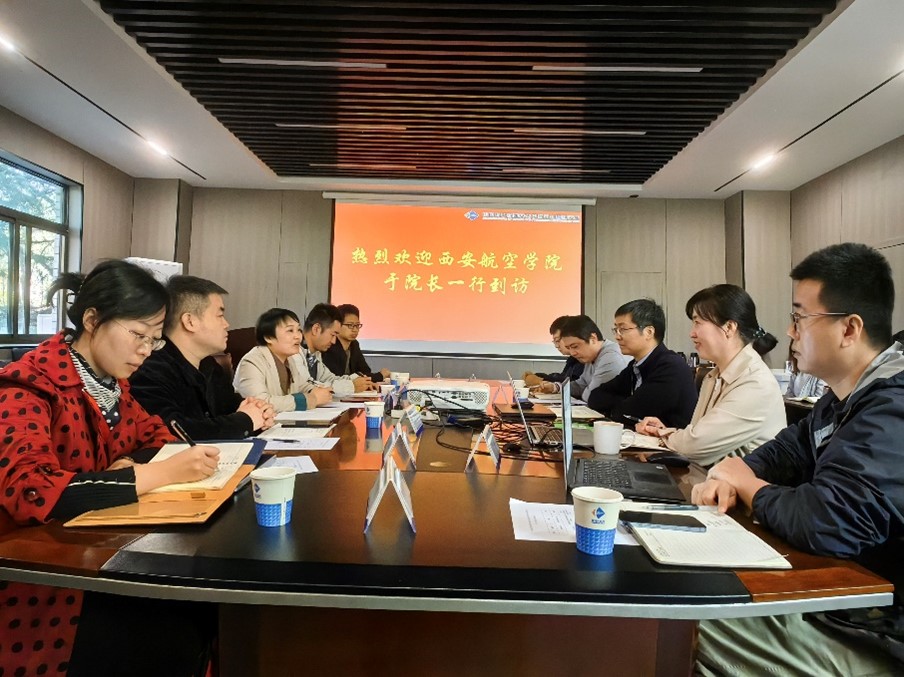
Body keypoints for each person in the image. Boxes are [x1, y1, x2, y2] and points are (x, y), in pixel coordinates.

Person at [692, 243, 904, 675]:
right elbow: (788, 449)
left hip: (878, 634)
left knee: (686, 619)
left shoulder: (892, 409)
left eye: (800, 318)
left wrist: (745, 483)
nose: (790, 332)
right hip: (842, 604)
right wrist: (736, 472)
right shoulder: (842, 398)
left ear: (850, 329)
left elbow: (828, 523)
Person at [0, 260, 219, 676]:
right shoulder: (28, 385)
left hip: (101, 553)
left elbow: (158, 436)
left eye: (154, 340)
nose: (146, 350)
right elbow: (31, 490)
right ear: (92, 319)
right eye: (138, 334)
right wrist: (153, 475)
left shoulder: (111, 386)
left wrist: (130, 464)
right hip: (43, 579)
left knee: (200, 607)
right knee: (179, 626)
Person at [635, 284, 785, 466]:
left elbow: (695, 446)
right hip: (713, 477)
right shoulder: (714, 376)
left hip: (741, 483)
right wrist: (666, 431)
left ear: (729, 327)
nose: (692, 333)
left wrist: (662, 436)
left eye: (698, 322)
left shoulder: (755, 384)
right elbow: (700, 436)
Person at [130, 275, 274, 440]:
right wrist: (245, 421)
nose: (226, 324)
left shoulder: (208, 365)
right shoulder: (151, 369)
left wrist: (260, 413)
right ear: (190, 321)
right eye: (219, 315)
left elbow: (232, 409)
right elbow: (174, 432)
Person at [587, 299, 697, 428]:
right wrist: (627, 402)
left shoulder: (671, 367)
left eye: (623, 329)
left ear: (648, 332)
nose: (617, 336)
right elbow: (595, 397)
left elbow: (628, 413)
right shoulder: (635, 366)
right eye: (616, 329)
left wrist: (624, 405)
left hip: (670, 440)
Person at [233, 308, 332, 413]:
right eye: (290, 330)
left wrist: (316, 391)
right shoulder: (251, 362)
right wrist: (310, 399)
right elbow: (260, 403)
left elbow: (301, 385)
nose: (298, 337)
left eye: (299, 330)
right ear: (268, 337)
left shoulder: (289, 360)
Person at [534, 314, 628, 402]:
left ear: (593, 339)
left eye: (575, 346)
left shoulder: (611, 357)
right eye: (568, 348)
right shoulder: (591, 356)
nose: (572, 353)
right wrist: (556, 387)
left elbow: (592, 396)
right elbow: (580, 384)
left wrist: (583, 391)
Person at [299, 303, 373, 394]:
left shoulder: (315, 355)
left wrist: (361, 381)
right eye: (333, 335)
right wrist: (351, 386)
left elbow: (330, 379)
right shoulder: (294, 352)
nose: (334, 341)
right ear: (316, 329)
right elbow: (306, 387)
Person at [321, 303, 390, 383]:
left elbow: (365, 371)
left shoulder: (354, 344)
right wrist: (379, 376)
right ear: (338, 325)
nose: (355, 330)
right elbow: (337, 378)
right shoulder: (330, 345)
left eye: (357, 325)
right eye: (350, 325)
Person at [522, 315, 584, 387]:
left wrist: (541, 380)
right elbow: (563, 377)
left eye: (557, 340)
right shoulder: (572, 359)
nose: (557, 346)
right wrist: (538, 376)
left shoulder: (583, 359)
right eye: (555, 342)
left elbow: (571, 383)